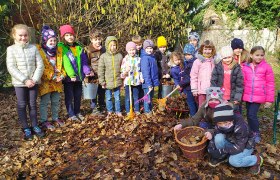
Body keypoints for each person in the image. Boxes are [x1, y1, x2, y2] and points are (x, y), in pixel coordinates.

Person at [6, 24, 45, 140]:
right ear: (14, 35)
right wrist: (25, 80)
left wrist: (34, 79)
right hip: (20, 83)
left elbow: (40, 65)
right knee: (22, 104)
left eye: (25, 35)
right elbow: (11, 67)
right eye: (20, 35)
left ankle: (35, 125)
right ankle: (26, 127)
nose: (23, 38)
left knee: (32, 104)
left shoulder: (33, 48)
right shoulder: (11, 49)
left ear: (29, 36)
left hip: (33, 82)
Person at [205, 103, 263, 175]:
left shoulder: (241, 127)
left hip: (245, 145)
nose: (223, 125)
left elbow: (239, 147)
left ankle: (256, 159)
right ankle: (223, 157)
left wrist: (222, 151)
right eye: (220, 123)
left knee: (234, 161)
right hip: (232, 141)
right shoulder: (219, 124)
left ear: (231, 119)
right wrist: (211, 148)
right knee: (218, 138)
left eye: (226, 122)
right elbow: (216, 132)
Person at [58, 24, 92, 121]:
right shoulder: (62, 48)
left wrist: (86, 71)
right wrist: (71, 74)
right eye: (67, 35)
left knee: (78, 95)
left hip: (79, 77)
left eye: (71, 35)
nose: (70, 37)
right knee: (69, 96)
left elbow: (84, 61)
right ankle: (71, 113)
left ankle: (77, 111)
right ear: (63, 37)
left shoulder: (79, 47)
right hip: (69, 78)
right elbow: (66, 62)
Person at [242, 46, 275, 143]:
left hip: (258, 96)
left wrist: (269, 100)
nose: (259, 57)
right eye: (257, 55)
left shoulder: (266, 67)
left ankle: (256, 132)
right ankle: (250, 130)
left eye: (261, 55)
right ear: (251, 55)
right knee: (248, 114)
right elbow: (242, 81)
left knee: (252, 115)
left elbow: (270, 84)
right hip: (248, 95)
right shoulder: (246, 66)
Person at [37, 25, 65, 130]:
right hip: (46, 82)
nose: (53, 42)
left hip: (57, 82)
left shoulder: (58, 52)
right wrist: (52, 76)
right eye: (50, 41)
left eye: (54, 40)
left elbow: (62, 65)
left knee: (55, 101)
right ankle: (44, 120)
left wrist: (62, 75)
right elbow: (41, 68)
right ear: (45, 42)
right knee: (45, 102)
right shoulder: (41, 52)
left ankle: (55, 118)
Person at [211, 46, 243, 114]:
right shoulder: (218, 67)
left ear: (232, 56)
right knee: (221, 113)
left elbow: (239, 84)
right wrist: (214, 95)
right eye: (225, 58)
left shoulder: (236, 67)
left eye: (229, 57)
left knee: (232, 114)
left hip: (232, 97)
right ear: (221, 58)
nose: (227, 59)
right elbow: (213, 81)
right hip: (220, 96)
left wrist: (237, 98)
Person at [98, 36, 123, 118]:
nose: (113, 47)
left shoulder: (119, 56)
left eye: (114, 45)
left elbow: (122, 68)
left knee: (117, 98)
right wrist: (102, 81)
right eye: (111, 45)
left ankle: (118, 111)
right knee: (108, 98)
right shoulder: (103, 57)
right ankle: (110, 111)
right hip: (107, 82)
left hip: (117, 80)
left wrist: (122, 79)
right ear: (107, 46)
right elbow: (101, 70)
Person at [84, 29, 106, 115]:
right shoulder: (88, 50)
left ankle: (102, 106)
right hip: (93, 76)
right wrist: (89, 71)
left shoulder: (103, 50)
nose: (98, 41)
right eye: (95, 40)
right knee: (93, 93)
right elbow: (86, 63)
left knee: (102, 92)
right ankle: (93, 108)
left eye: (99, 39)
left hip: (102, 75)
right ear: (91, 40)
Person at [190, 40, 216, 107]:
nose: (207, 51)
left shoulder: (214, 61)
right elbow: (193, 76)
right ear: (202, 49)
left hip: (212, 90)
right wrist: (194, 89)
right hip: (202, 91)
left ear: (212, 50)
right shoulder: (198, 62)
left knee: (212, 109)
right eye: (205, 49)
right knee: (202, 109)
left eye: (209, 49)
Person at [121, 42, 142, 116]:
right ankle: (128, 110)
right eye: (130, 50)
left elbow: (140, 70)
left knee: (136, 96)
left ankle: (137, 110)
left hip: (136, 81)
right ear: (127, 51)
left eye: (133, 50)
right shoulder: (125, 59)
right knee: (128, 97)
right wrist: (126, 70)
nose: (132, 51)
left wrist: (141, 78)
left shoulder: (138, 59)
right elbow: (122, 71)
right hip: (128, 81)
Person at [140, 39, 159, 117]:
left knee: (150, 97)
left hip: (152, 82)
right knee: (147, 97)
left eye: (151, 48)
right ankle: (147, 111)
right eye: (147, 48)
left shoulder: (152, 57)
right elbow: (146, 73)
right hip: (148, 83)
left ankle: (150, 109)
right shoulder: (145, 58)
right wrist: (149, 84)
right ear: (144, 49)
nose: (149, 50)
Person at [183, 44, 198, 116]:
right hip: (188, 87)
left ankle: (193, 117)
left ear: (193, 54)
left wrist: (181, 84)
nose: (187, 56)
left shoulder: (192, 64)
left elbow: (189, 77)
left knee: (191, 103)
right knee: (193, 102)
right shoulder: (186, 62)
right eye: (185, 54)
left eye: (189, 54)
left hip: (190, 87)